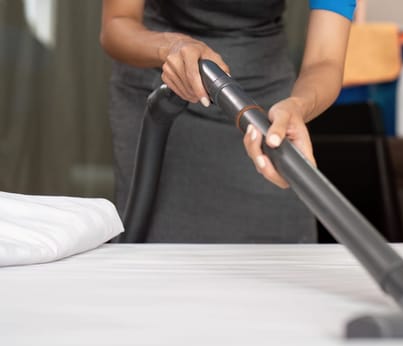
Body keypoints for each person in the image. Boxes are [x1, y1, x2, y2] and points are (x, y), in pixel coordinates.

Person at [100, 0, 355, 243]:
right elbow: (117, 23)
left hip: (262, 92)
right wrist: (172, 47)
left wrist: (298, 106)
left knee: (277, 254)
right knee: (162, 257)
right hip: (166, 80)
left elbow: (325, 59)